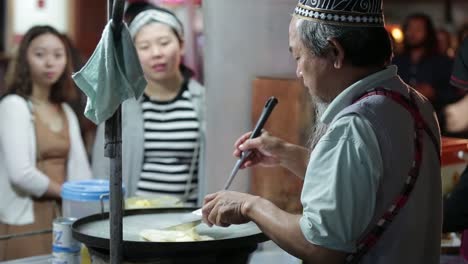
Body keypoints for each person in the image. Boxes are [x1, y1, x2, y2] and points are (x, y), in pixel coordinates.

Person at [201, 0, 442, 263]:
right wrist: (284, 152)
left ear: (335, 52)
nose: (298, 72)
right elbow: (359, 183)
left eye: (299, 56)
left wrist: (249, 206)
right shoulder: (414, 102)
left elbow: (321, 248)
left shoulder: (354, 124)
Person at [92, 7, 206, 206]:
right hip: (132, 221)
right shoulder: (119, 106)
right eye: (144, 47)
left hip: (188, 223)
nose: (156, 53)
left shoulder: (203, 101)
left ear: (181, 45)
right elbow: (101, 172)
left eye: (164, 43)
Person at [0, 25, 92, 260]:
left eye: (58, 55)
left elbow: (81, 171)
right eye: (40, 54)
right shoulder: (14, 105)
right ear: (24, 59)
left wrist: (84, 199)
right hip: (27, 218)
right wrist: (69, 192)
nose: (50, 62)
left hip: (63, 215)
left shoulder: (65, 110)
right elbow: (20, 174)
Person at [392, 13, 456, 135]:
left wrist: (434, 92)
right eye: (409, 28)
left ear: (428, 32)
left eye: (418, 29)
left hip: (435, 124)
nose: (412, 33)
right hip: (400, 123)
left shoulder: (443, 62)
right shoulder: (396, 61)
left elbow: (455, 91)